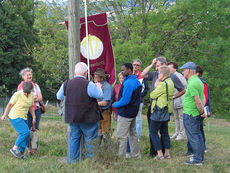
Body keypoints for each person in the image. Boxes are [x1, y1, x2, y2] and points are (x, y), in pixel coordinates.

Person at [56, 62, 103, 163]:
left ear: (75, 72)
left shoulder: (66, 83)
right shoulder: (89, 84)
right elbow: (99, 95)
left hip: (72, 117)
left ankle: (73, 162)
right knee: (90, 140)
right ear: (86, 73)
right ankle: (91, 162)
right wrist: (99, 87)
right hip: (88, 118)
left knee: (74, 139)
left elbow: (58, 96)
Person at [141, 56, 186, 157]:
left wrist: (172, 97)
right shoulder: (155, 74)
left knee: (155, 131)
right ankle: (158, 152)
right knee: (162, 131)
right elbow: (142, 74)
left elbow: (182, 89)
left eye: (158, 66)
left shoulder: (171, 77)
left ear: (164, 65)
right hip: (155, 106)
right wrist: (152, 64)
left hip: (160, 108)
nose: (156, 69)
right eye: (156, 66)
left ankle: (160, 153)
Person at [113, 63, 142, 158]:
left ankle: (120, 157)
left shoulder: (129, 83)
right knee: (133, 134)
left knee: (122, 136)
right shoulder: (135, 80)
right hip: (133, 112)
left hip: (126, 113)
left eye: (124, 70)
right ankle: (136, 155)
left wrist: (114, 104)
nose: (122, 71)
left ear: (129, 70)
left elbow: (125, 100)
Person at [1, 82, 36, 159]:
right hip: (15, 116)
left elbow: (31, 107)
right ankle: (14, 148)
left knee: (26, 135)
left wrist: (34, 117)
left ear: (31, 90)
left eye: (28, 92)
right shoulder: (17, 94)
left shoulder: (32, 95)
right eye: (25, 92)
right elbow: (9, 104)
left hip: (24, 117)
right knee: (25, 132)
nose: (26, 94)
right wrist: (4, 115)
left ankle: (20, 153)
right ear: (22, 89)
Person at [180, 62, 205, 165]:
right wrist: (201, 111)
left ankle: (197, 160)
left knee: (193, 137)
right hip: (194, 114)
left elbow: (198, 100)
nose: (182, 72)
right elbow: (203, 96)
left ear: (189, 70)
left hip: (191, 114)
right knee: (198, 136)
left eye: (184, 70)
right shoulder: (196, 81)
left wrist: (201, 111)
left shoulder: (193, 82)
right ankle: (199, 157)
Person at [149, 66, 174, 160]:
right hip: (166, 110)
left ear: (162, 74)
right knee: (165, 132)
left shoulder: (162, 84)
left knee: (153, 132)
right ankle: (167, 153)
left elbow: (152, 95)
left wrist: (157, 83)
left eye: (159, 73)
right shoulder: (171, 82)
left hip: (159, 111)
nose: (158, 75)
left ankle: (159, 154)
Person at [126, 59, 149, 158]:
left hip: (138, 101)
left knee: (138, 119)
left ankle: (138, 137)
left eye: (137, 65)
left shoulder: (142, 75)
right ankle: (128, 136)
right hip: (128, 101)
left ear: (140, 67)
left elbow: (146, 88)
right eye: (134, 64)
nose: (135, 66)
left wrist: (140, 96)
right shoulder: (128, 74)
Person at [17, 67, 43, 154]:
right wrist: (34, 98)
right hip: (26, 111)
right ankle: (28, 149)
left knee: (35, 129)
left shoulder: (36, 86)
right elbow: (23, 98)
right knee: (27, 130)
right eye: (27, 75)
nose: (29, 76)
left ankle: (34, 148)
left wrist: (31, 98)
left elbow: (40, 98)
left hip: (37, 110)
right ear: (23, 77)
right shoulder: (21, 87)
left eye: (30, 74)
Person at [168, 61, 187, 140]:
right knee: (176, 117)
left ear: (175, 68)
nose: (168, 69)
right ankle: (177, 132)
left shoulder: (179, 76)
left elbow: (184, 87)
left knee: (181, 117)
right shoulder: (170, 76)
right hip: (174, 100)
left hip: (180, 100)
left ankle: (182, 134)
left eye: (170, 68)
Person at [93, 68, 113, 143]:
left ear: (102, 77)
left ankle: (107, 150)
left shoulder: (107, 87)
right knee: (99, 131)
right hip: (98, 111)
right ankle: (98, 149)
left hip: (105, 111)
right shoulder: (96, 85)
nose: (94, 77)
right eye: (94, 76)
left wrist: (93, 104)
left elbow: (105, 102)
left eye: (96, 76)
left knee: (106, 131)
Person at [196, 65, 211, 152]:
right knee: (199, 128)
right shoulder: (197, 82)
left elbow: (205, 98)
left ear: (197, 73)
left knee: (199, 129)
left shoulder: (202, 83)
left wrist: (202, 111)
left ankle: (202, 147)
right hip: (199, 109)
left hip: (201, 110)